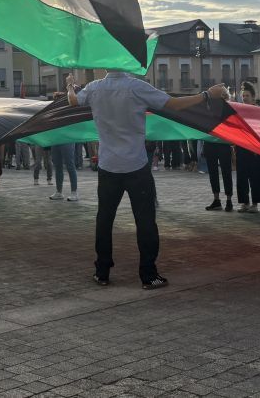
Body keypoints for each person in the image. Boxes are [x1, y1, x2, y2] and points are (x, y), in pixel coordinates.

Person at [67, 71, 229, 289]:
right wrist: (207, 95)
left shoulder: (95, 88)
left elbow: (73, 100)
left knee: (104, 219)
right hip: (135, 164)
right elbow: (173, 104)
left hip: (108, 165)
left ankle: (102, 271)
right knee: (145, 221)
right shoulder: (136, 86)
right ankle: (148, 274)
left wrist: (70, 85)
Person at [234, 83, 260, 212]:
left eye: (247, 95)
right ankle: (244, 203)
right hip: (241, 146)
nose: (245, 98)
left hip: (255, 148)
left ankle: (255, 204)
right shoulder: (237, 111)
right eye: (243, 95)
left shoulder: (258, 111)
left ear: (253, 97)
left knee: (256, 176)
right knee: (241, 176)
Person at [203, 139, 234, 211]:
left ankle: (229, 200)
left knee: (226, 172)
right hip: (210, 142)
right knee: (213, 173)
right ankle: (217, 200)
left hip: (223, 141)